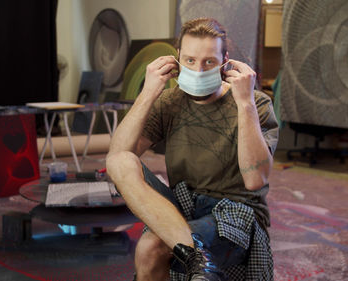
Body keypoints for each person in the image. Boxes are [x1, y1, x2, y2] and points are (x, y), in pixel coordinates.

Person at [106, 18, 279, 281]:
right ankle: (196, 256)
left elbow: (256, 180)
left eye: (209, 61)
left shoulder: (256, 103)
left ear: (225, 62)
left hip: (235, 211)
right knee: (120, 161)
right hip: (183, 204)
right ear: (177, 60)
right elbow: (117, 156)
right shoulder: (169, 102)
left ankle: (191, 254)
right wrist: (148, 93)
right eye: (190, 61)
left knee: (151, 247)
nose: (198, 70)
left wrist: (244, 104)